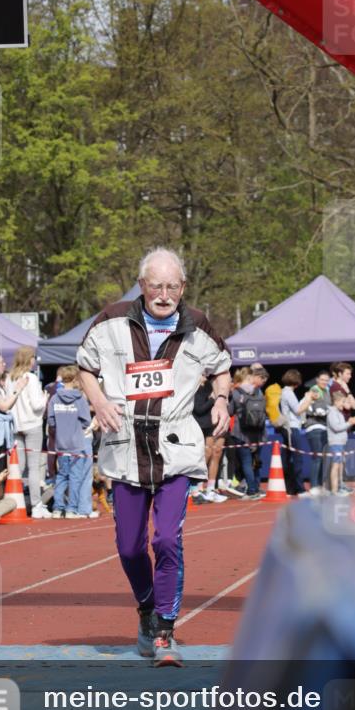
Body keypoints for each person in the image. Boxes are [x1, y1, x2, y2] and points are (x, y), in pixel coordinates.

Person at [77, 247, 231, 667]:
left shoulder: (197, 324)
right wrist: (98, 402)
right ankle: (146, 608)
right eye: (156, 286)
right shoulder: (110, 321)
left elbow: (222, 365)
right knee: (129, 547)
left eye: (172, 286)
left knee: (165, 539)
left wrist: (220, 400)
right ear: (142, 285)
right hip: (126, 447)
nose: (164, 294)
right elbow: (84, 366)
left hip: (176, 447)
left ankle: (165, 630)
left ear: (182, 287)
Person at [47, 365, 96, 519]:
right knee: (75, 476)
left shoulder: (54, 398)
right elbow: (86, 420)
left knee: (62, 475)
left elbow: (51, 421)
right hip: (77, 442)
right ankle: (71, 509)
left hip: (61, 442)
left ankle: (57, 508)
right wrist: (75, 427)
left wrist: (61, 428)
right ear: (75, 379)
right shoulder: (80, 398)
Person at [8, 346, 48, 519]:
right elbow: (37, 405)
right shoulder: (31, 378)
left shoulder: (10, 378)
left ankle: (16, 501)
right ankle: (36, 504)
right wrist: (45, 397)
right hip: (32, 424)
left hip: (16, 425)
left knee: (18, 467)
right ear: (28, 359)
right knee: (33, 468)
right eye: (33, 357)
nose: (34, 361)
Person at [230, 366, 268, 499]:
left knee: (245, 462)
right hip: (257, 432)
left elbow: (230, 411)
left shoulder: (237, 392)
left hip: (241, 432)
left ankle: (251, 490)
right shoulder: (258, 392)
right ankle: (256, 487)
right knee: (255, 461)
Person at [279, 369, 316, 496]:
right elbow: (298, 410)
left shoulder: (285, 392)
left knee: (289, 459)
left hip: (290, 427)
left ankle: (291, 488)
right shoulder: (288, 393)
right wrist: (308, 398)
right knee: (297, 459)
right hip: (291, 428)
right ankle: (299, 489)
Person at [326, 390, 355, 494]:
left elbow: (341, 427)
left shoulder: (338, 413)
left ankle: (340, 486)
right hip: (335, 443)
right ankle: (334, 490)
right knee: (336, 465)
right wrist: (349, 423)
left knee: (340, 465)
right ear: (336, 401)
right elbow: (336, 428)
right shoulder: (332, 413)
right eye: (342, 401)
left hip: (341, 443)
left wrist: (349, 423)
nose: (343, 404)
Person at [302, 369, 331, 493]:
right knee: (317, 457)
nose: (324, 382)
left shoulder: (327, 391)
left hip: (324, 427)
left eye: (326, 380)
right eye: (322, 379)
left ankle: (319, 485)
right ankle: (314, 486)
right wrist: (322, 411)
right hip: (314, 427)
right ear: (317, 380)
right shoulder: (314, 390)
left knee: (322, 458)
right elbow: (313, 407)